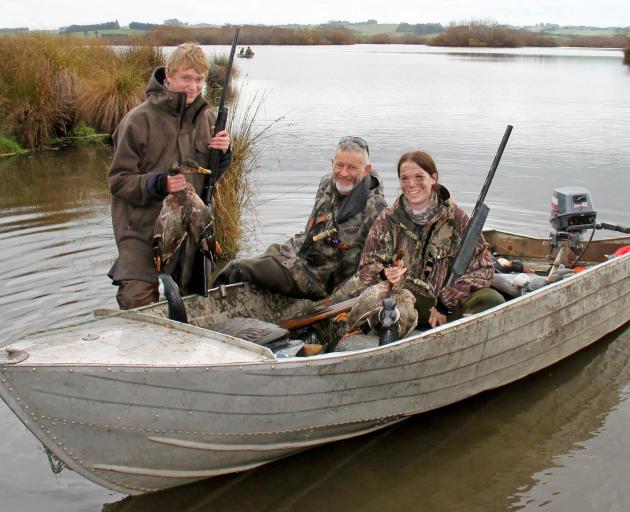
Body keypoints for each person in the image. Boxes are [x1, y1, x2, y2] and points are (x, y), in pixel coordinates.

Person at [108, 42, 232, 310]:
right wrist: (159, 183)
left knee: (191, 309)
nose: (193, 86)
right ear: (168, 77)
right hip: (141, 232)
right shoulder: (137, 120)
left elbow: (210, 178)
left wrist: (223, 154)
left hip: (190, 235)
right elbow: (118, 181)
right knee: (137, 306)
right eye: (185, 78)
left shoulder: (207, 117)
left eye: (199, 79)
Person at [214, 137, 387, 300]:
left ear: (366, 170)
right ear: (332, 163)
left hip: (315, 278)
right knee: (251, 261)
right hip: (296, 252)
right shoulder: (326, 184)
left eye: (352, 167)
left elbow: (380, 262)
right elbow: (310, 230)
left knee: (238, 269)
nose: (344, 173)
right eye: (339, 165)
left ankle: (203, 322)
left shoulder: (376, 209)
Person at [355, 150, 504, 331]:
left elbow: (484, 269)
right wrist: (384, 273)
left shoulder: (456, 217)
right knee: (389, 310)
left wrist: (445, 303)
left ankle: (462, 337)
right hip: (409, 305)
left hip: (449, 305)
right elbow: (366, 268)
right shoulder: (388, 219)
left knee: (491, 300)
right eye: (404, 178)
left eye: (419, 177)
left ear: (433, 178)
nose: (411, 184)